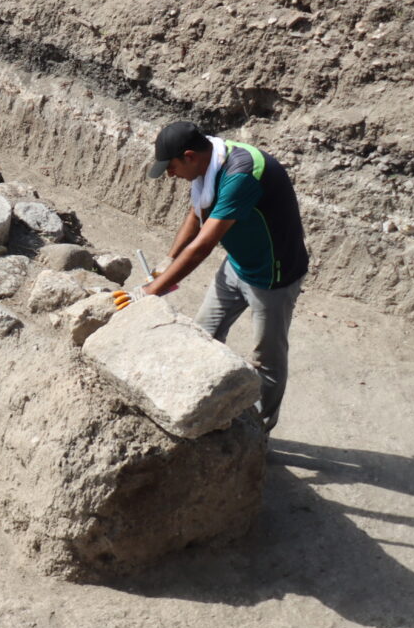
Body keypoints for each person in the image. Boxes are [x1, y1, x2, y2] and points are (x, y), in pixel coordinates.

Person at [123, 121, 310, 432]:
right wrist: (168, 260)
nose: (170, 175)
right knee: (202, 335)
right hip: (237, 265)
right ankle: (202, 408)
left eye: (171, 167)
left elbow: (203, 247)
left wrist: (150, 291)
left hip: (272, 278)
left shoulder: (241, 175)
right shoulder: (211, 166)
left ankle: (258, 431)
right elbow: (196, 215)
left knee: (267, 361)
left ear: (189, 156)